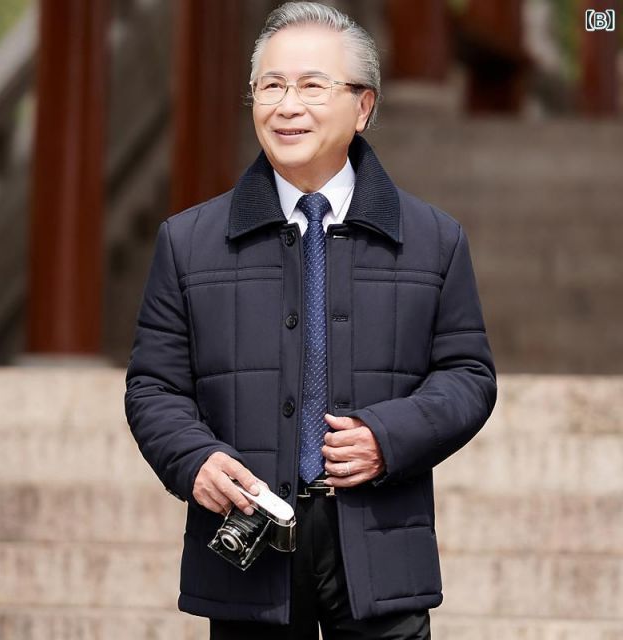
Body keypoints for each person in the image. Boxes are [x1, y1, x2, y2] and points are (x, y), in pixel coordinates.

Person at [125, 2, 497, 639]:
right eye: (270, 86)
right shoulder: (187, 243)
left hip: (380, 541)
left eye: (311, 86)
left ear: (363, 107)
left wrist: (388, 437)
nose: (286, 106)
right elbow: (153, 386)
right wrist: (194, 459)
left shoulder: (434, 240)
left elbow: (468, 376)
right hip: (249, 539)